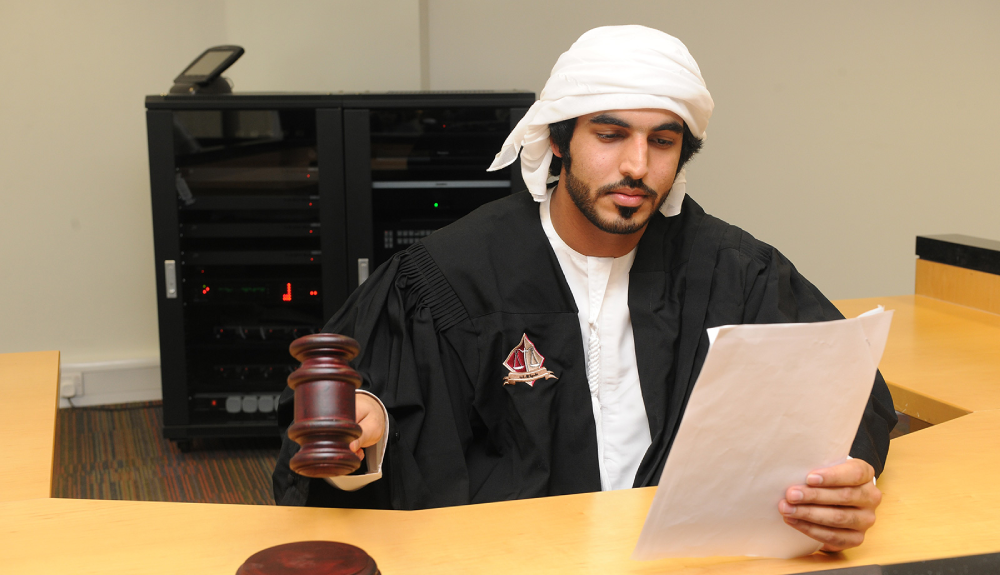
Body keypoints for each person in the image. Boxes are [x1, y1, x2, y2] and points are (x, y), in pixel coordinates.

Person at [273, 25, 896, 553]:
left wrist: (850, 475)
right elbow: (361, 428)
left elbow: (846, 386)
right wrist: (368, 429)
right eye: (610, 134)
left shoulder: (732, 269)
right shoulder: (450, 275)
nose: (636, 165)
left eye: (662, 140)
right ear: (559, 141)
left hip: (689, 560)